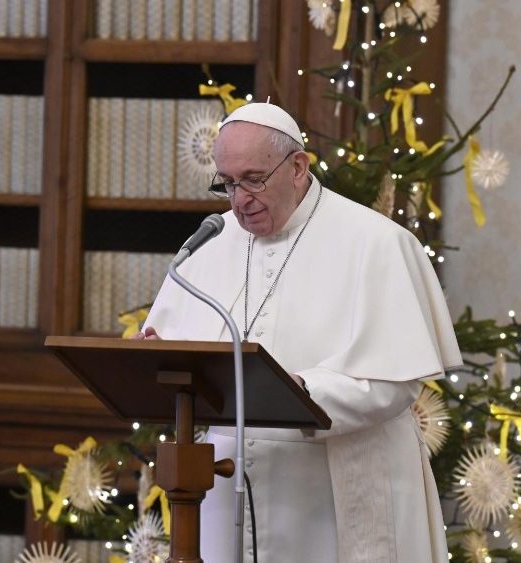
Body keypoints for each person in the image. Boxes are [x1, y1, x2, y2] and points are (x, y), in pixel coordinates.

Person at [137, 102, 461, 563]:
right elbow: (180, 356)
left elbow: (396, 382)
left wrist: (305, 391)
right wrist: (160, 357)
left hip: (330, 496)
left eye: (253, 179)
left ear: (297, 167)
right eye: (227, 183)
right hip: (227, 490)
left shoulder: (375, 242)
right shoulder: (212, 240)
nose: (239, 199)